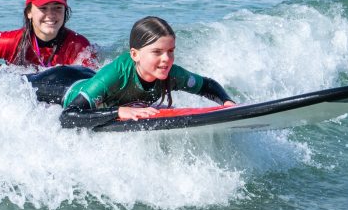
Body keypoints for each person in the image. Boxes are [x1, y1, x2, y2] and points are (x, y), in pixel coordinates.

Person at [56, 16, 235, 129]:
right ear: (135, 54)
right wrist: (118, 112)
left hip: (86, 76)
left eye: (171, 51)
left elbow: (207, 85)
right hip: (59, 85)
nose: (167, 59)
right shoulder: (116, 75)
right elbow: (67, 117)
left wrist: (227, 103)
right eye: (157, 52)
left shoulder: (171, 73)